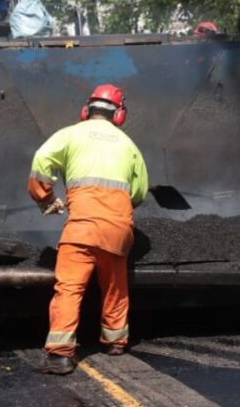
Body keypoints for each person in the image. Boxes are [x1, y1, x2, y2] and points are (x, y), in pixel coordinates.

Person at [27, 84, 149, 375]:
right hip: (117, 229)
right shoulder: (128, 144)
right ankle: (115, 341)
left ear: (87, 109)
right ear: (119, 114)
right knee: (115, 286)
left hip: (81, 228)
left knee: (69, 288)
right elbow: (140, 192)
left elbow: (41, 161)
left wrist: (44, 197)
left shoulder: (69, 134)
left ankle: (59, 355)